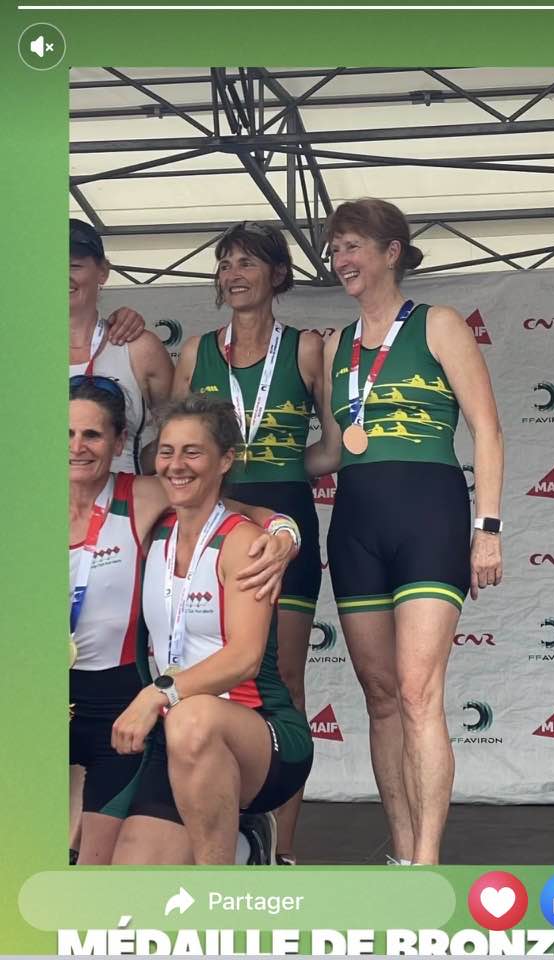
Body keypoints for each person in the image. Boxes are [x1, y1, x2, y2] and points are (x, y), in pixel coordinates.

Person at [306, 198, 504, 866]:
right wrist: (251, 472)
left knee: (419, 691)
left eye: (353, 246)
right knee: (382, 696)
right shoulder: (335, 345)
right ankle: (398, 857)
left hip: (430, 518)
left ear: (393, 251)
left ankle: (427, 863)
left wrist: (489, 528)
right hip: (357, 523)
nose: (341, 261)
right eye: (335, 250)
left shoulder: (439, 325)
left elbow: (489, 430)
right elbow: (333, 451)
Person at [69, 378, 299, 865]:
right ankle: (240, 842)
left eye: (192, 452)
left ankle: (224, 880)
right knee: (123, 891)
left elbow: (244, 658)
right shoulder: (161, 529)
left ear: (225, 460)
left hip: (249, 724)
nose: (176, 465)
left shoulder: (239, 542)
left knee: (192, 718)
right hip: (170, 730)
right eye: (167, 451)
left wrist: (284, 531)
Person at [172, 222, 328, 864]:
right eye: (224, 264)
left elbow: (338, 443)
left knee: (281, 680)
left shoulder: (308, 348)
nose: (233, 274)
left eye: (247, 263)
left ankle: (278, 847)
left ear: (277, 275)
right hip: (214, 523)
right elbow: (183, 445)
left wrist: (288, 472)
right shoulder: (196, 353)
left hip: (283, 521)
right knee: (206, 669)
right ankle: (217, 829)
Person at [70, 218, 175, 473]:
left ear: (103, 272)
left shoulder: (140, 348)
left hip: (124, 507)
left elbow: (182, 432)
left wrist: (144, 481)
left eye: (74, 266)